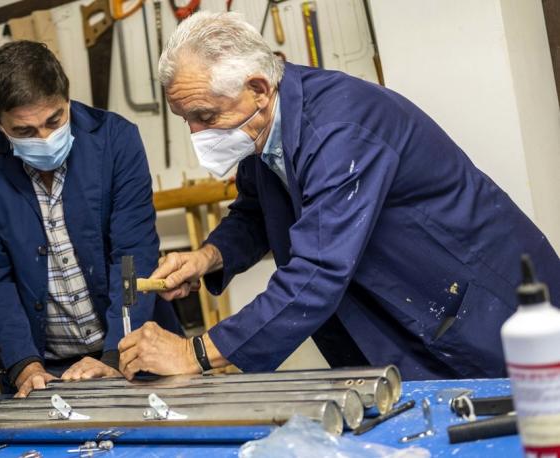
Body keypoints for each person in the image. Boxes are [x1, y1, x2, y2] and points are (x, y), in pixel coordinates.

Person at [117, 12, 560, 381]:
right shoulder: (266, 122)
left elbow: (317, 269)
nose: (196, 133)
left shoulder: (339, 131)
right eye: (186, 120)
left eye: (204, 115)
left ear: (257, 87)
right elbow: (258, 212)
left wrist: (195, 352)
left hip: (477, 304)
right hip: (407, 306)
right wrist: (208, 257)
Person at [0, 41, 180, 396]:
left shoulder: (116, 139)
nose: (44, 138)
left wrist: (116, 355)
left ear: (67, 99)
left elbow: (132, 257)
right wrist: (23, 364)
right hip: (45, 367)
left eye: (54, 120)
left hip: (134, 349)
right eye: (24, 132)